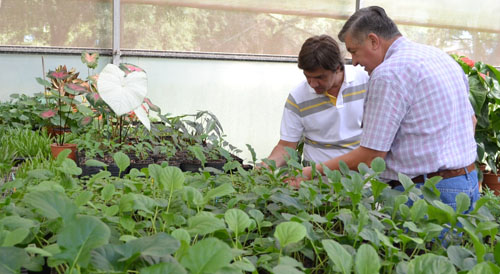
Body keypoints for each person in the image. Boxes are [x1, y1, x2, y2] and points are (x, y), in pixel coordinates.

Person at [291, 6, 479, 211]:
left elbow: (371, 156)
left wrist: (309, 173)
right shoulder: (440, 58)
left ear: (373, 40)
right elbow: (472, 121)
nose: (354, 62)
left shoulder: (389, 73)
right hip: (466, 183)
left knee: (417, 244)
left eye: (354, 51)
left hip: (425, 194)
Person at [261, 35, 369, 168]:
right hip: (313, 181)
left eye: (320, 77)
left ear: (338, 68)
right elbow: (286, 146)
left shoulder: (366, 81)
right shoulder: (298, 97)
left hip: (359, 178)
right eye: (307, 77)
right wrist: (264, 168)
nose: (312, 83)